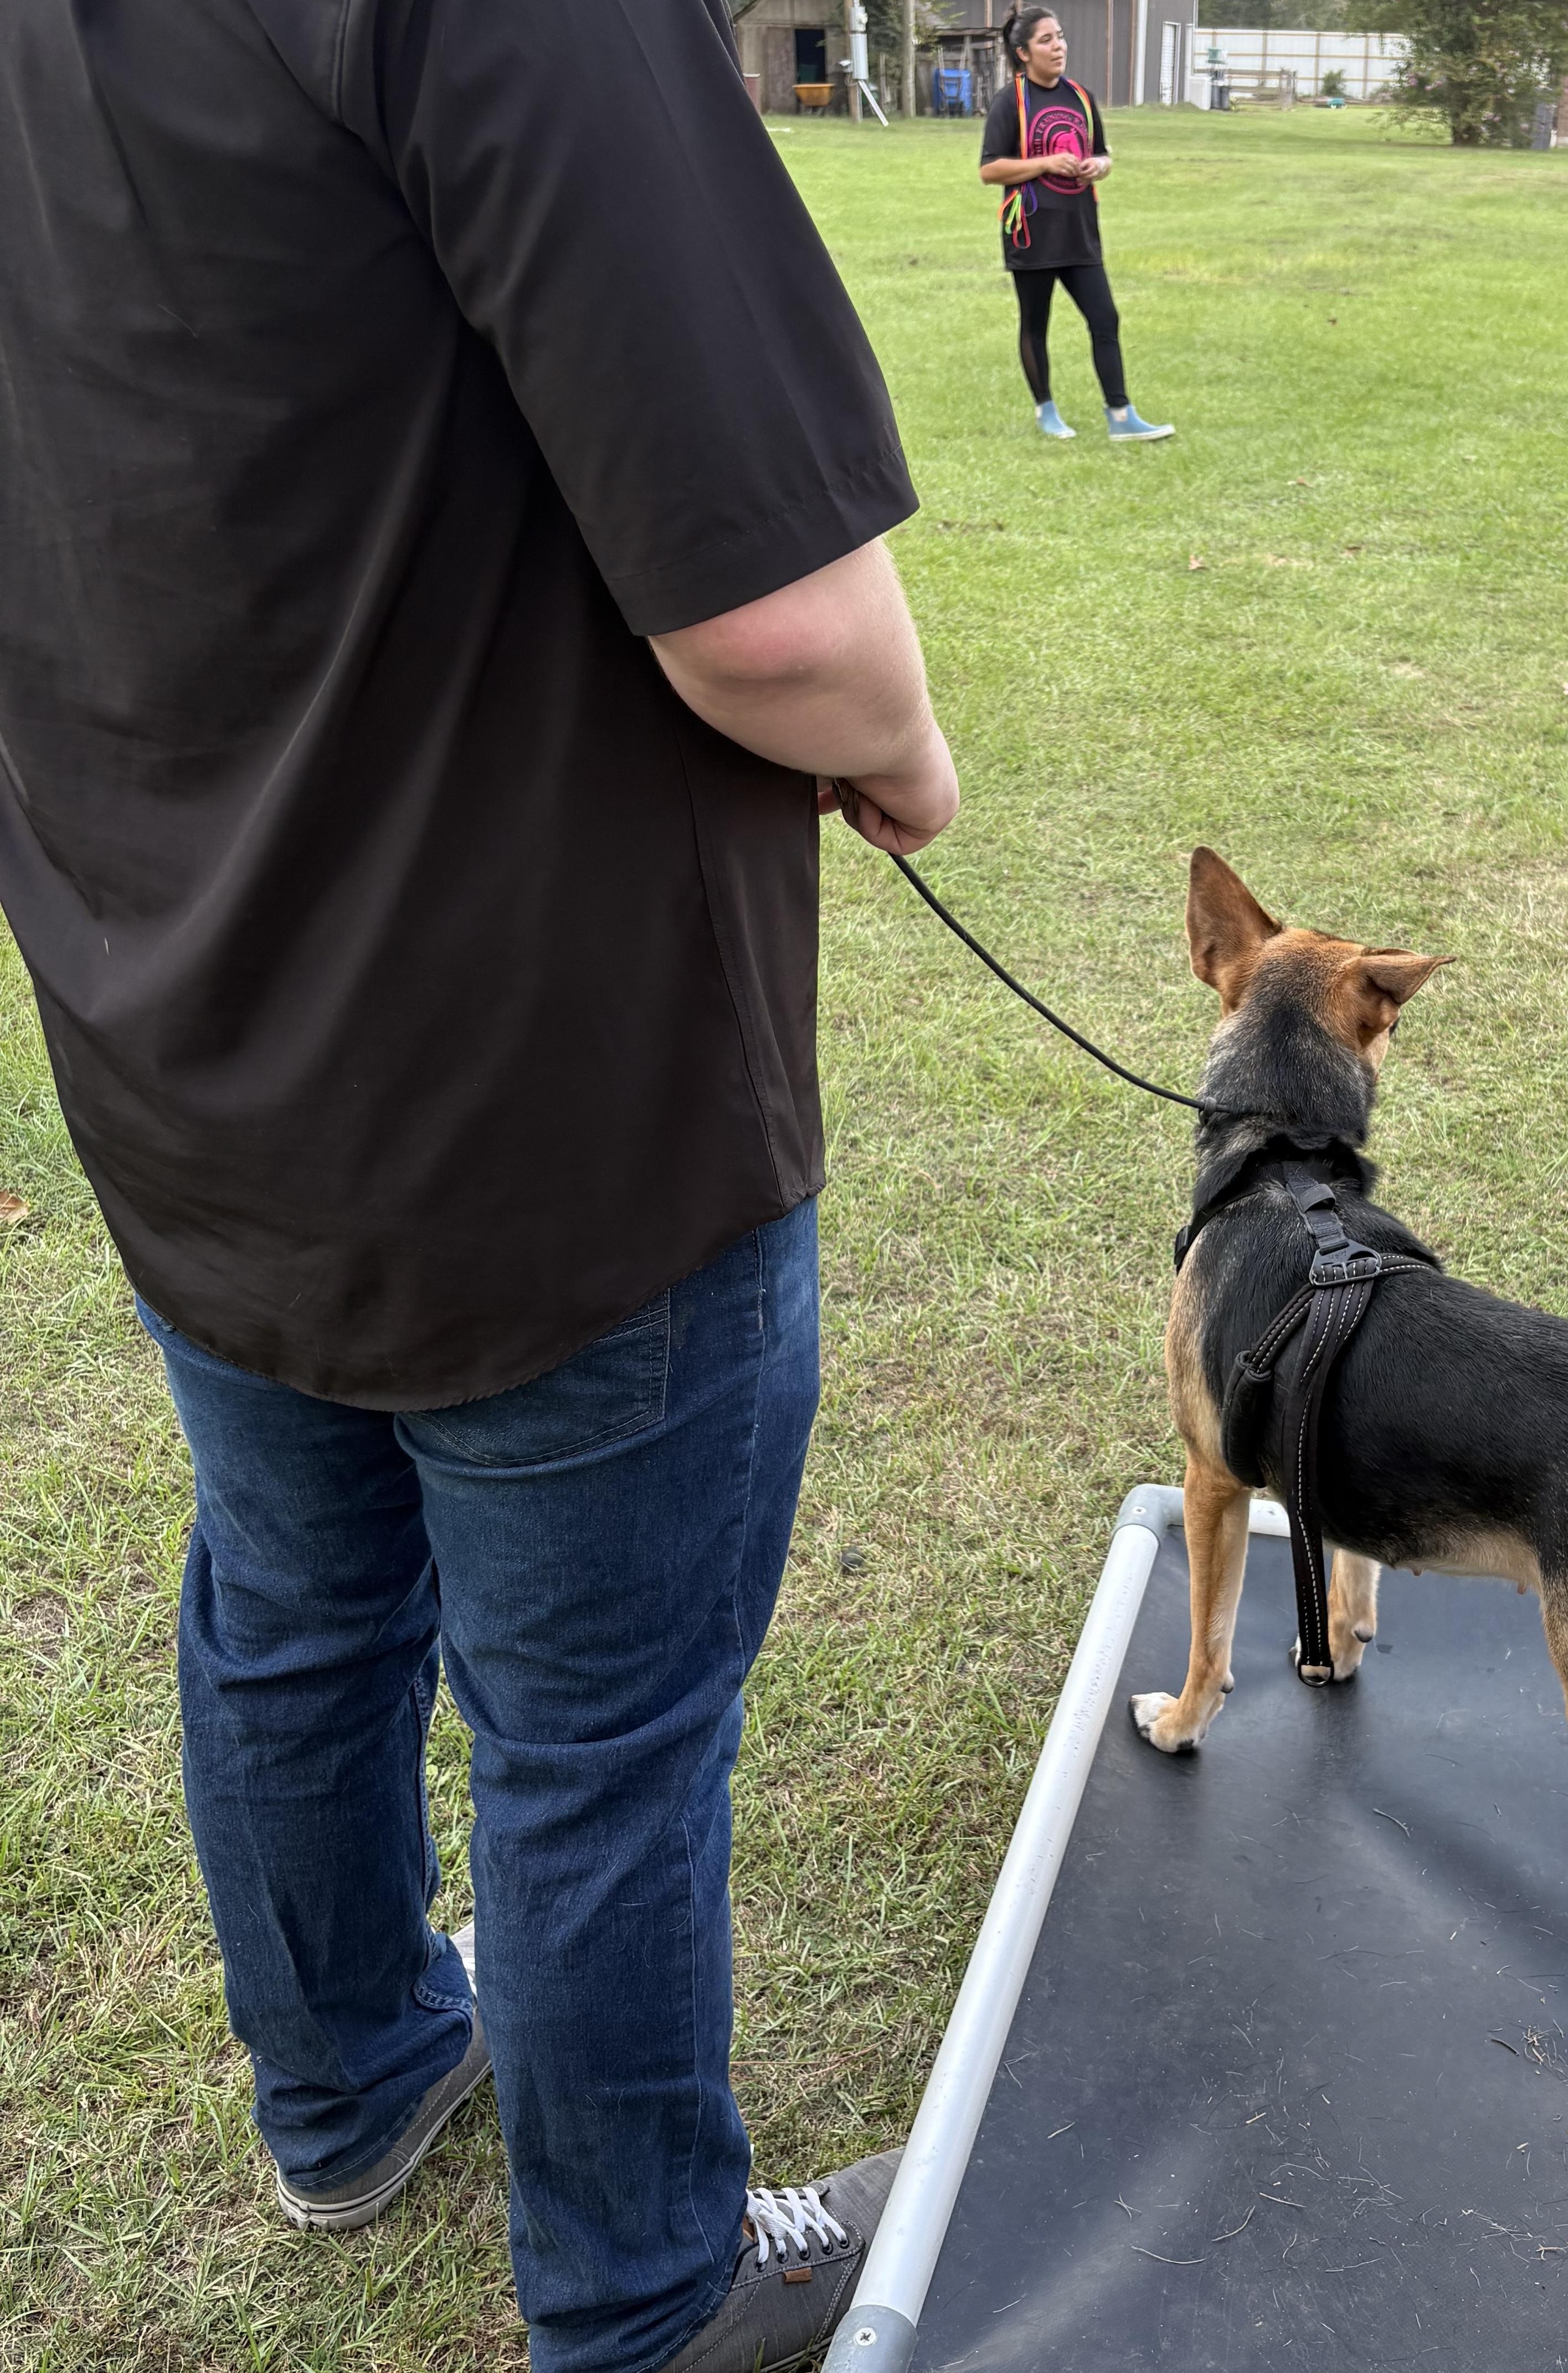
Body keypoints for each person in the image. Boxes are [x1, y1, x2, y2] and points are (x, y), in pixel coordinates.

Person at [0, 4, 959, 2371]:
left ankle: (344, 2071)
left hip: (178, 1034)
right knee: (594, 1733)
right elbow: (783, 619)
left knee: (293, 1604)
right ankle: (643, 2291)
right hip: (547, 1107)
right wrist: (908, 754)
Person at [979, 9, 1174, 443]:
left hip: (1080, 232)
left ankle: (1121, 416)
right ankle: (1046, 410)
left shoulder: (1081, 97)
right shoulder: (1011, 101)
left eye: (1060, 38)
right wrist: (1046, 162)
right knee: (1036, 323)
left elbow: (1103, 152)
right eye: (1046, 40)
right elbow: (989, 170)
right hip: (1032, 234)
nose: (1059, 47)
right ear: (1024, 53)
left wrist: (1100, 166)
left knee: (1105, 318)